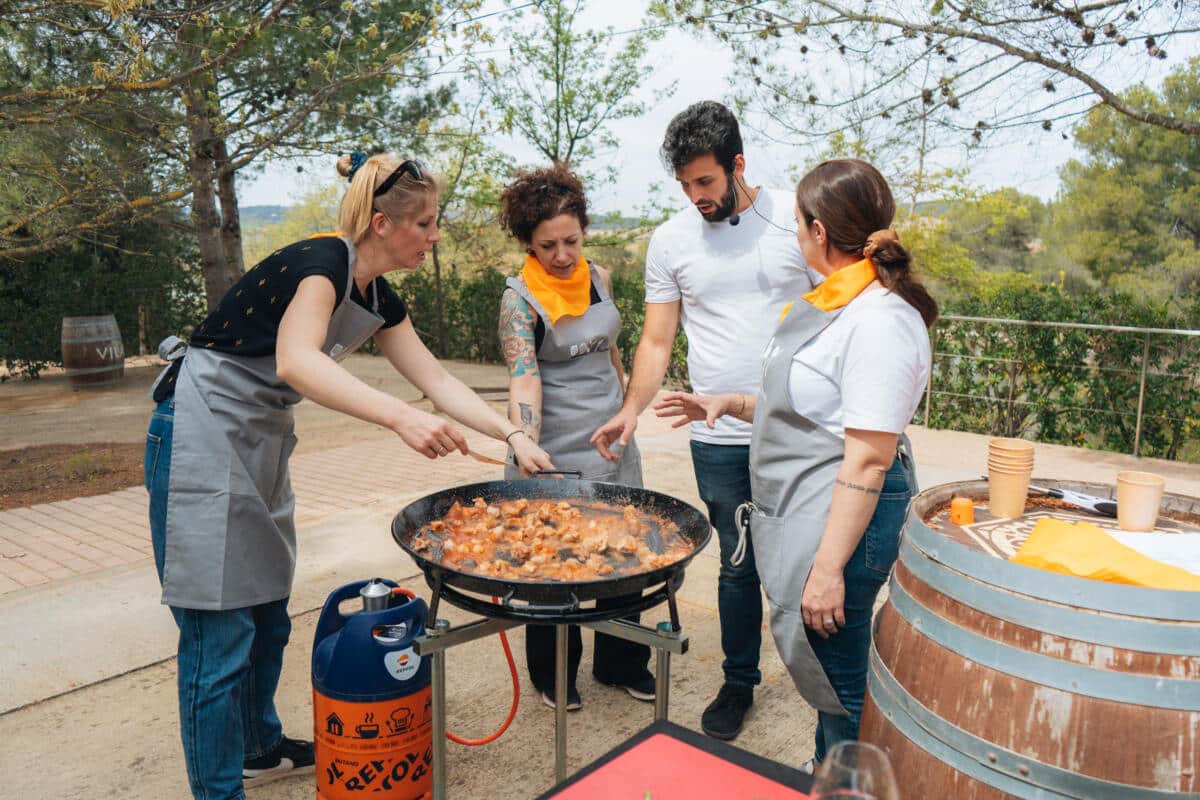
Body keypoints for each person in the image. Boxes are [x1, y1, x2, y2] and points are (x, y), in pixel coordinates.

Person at [144, 152, 553, 800]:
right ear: (383, 224)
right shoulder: (321, 263)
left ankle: (258, 749)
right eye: (425, 222)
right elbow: (296, 360)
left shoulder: (377, 298)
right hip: (200, 431)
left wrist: (512, 436)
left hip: (257, 440)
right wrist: (399, 418)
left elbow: (438, 379)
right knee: (218, 638)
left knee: (267, 617)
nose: (434, 233)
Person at [654, 158, 937, 764]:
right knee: (828, 674)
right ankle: (827, 765)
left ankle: (862, 775)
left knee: (844, 686)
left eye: (797, 225)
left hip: (845, 522)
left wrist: (829, 568)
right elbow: (820, 407)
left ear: (818, 232)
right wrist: (730, 403)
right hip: (818, 508)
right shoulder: (840, 305)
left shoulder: (879, 320)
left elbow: (866, 459)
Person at [590, 101, 812, 740]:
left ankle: (831, 676)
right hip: (717, 437)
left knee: (808, 558)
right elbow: (657, 342)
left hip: (795, 432)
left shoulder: (797, 218)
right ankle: (739, 681)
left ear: (737, 164)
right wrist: (631, 408)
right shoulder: (672, 239)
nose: (695, 197)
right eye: (684, 185)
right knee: (738, 563)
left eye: (706, 182)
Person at [497, 163, 655, 710]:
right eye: (548, 246)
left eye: (572, 240)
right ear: (528, 244)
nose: (563, 255)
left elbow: (611, 351)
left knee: (623, 553)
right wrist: (525, 441)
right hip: (554, 446)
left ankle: (622, 662)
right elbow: (525, 376)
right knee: (554, 562)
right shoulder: (519, 299)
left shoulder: (600, 277)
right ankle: (553, 673)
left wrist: (626, 409)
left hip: (610, 440)